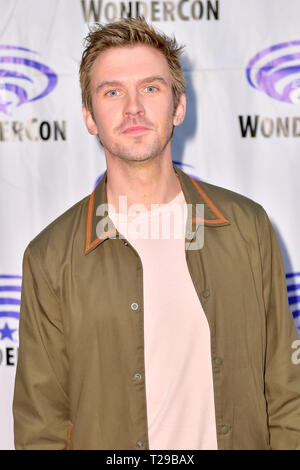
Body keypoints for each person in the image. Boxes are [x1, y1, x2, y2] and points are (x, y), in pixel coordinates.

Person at [13, 17, 300, 450]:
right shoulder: (50, 257)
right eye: (112, 92)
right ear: (90, 117)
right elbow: (42, 424)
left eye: (150, 88)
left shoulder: (247, 227)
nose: (133, 108)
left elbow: (286, 390)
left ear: (178, 107)